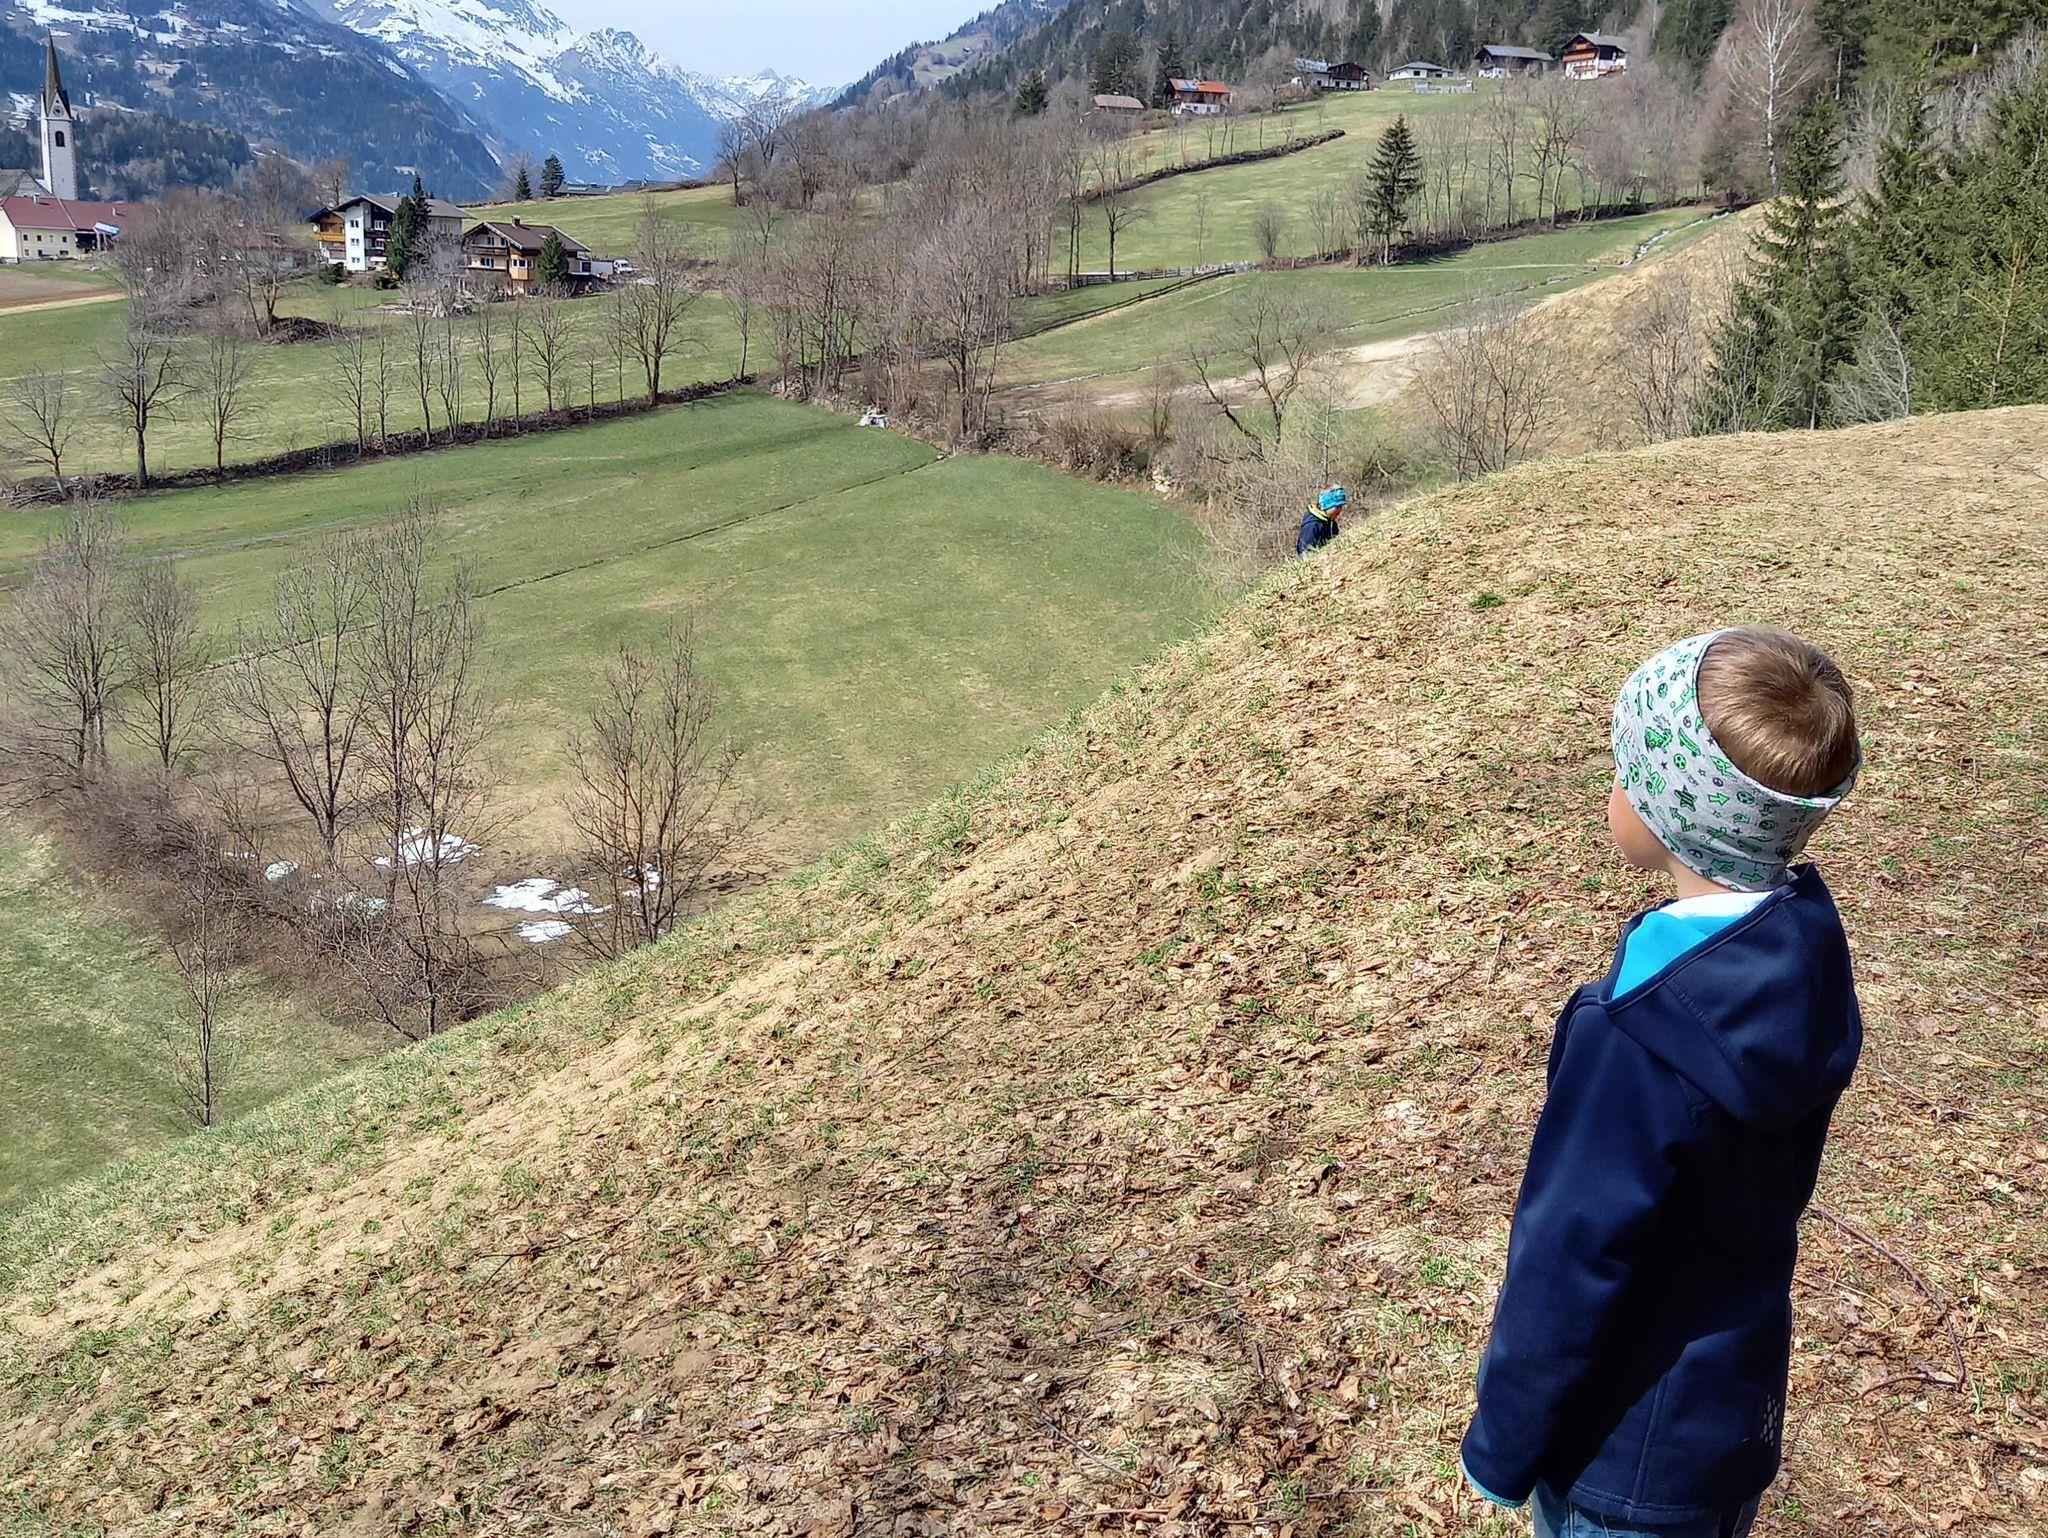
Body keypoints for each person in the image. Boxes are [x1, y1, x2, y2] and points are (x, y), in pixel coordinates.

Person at [1461, 627, 1865, 1538]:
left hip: (1621, 1456)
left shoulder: (1636, 1038)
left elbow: (1569, 1258)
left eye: (1625, 771)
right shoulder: (1802, 952)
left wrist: (1500, 1447)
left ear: (1670, 814)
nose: (1612, 787)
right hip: (1729, 1417)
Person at [1297, 486, 1346, 556]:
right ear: (1324, 506)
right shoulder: (1312, 526)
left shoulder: (1331, 523)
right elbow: (1305, 553)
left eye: (1341, 506)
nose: (1340, 510)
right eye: (1337, 507)